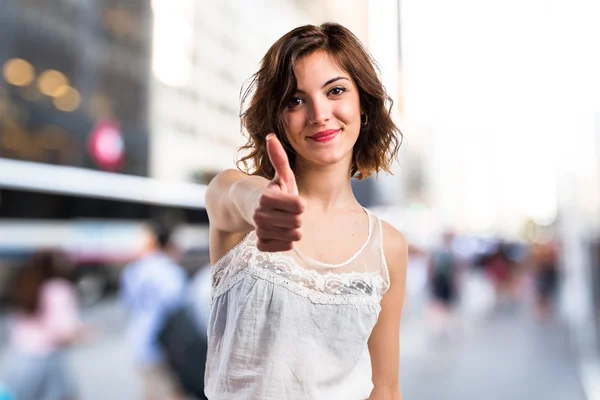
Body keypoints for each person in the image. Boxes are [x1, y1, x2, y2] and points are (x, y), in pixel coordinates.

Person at [205, 23, 408, 400]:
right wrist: (260, 203)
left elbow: (386, 388)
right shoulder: (242, 203)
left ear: (362, 103)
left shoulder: (388, 246)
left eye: (335, 91)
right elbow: (231, 195)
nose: (319, 113)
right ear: (278, 118)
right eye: (295, 100)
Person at [2, 249, 94, 400]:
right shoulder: (58, 288)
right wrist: (86, 333)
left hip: (19, 359)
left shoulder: (25, 284)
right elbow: (64, 332)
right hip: (47, 361)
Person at [120, 224, 187, 400]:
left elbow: (128, 303)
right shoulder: (171, 271)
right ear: (169, 245)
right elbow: (176, 309)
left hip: (138, 340)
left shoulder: (133, 269)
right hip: (162, 346)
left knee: (150, 392)